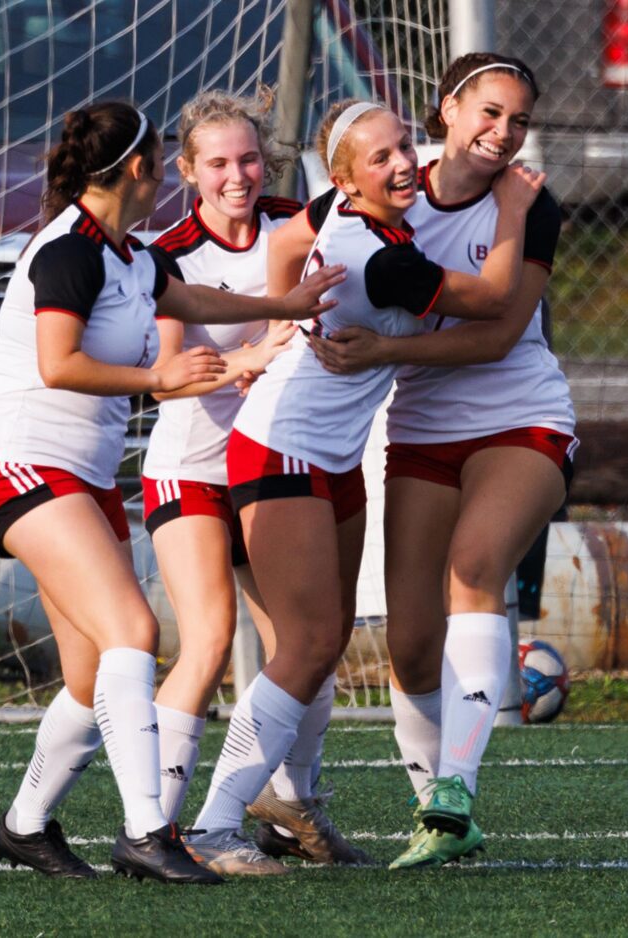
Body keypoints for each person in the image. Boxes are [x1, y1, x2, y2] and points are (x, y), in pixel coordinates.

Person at [0, 100, 344, 884]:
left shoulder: (129, 253)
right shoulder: (68, 248)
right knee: (135, 631)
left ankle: (25, 825)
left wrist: (284, 306)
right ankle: (149, 832)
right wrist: (157, 378)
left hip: (83, 474)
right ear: (142, 170)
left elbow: (197, 300)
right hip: (21, 464)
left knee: (86, 675)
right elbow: (58, 362)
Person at [184, 98, 543, 867]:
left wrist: (282, 319)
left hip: (332, 457)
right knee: (309, 642)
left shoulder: (364, 221)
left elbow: (286, 242)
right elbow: (492, 299)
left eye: (404, 145)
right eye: (379, 158)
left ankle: (293, 809)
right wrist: (512, 206)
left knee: (325, 640)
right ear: (347, 180)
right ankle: (212, 825)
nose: (403, 162)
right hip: (282, 448)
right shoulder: (380, 253)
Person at [307, 54, 574, 869]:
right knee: (412, 645)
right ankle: (436, 812)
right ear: (448, 109)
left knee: (474, 568)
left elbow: (497, 331)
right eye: (490, 112)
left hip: (520, 415)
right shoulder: (385, 182)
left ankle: (456, 792)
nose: (504, 133)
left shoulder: (532, 203)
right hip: (421, 427)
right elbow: (294, 245)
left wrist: (384, 346)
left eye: (519, 120)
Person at [142, 88, 356, 876]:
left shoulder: (296, 222)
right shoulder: (169, 252)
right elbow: (164, 380)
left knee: (305, 647)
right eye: (219, 163)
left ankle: (287, 808)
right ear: (188, 171)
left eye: (249, 159)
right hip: (194, 472)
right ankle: (158, 830)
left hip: (274, 467)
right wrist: (248, 358)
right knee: (206, 640)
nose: (238, 176)